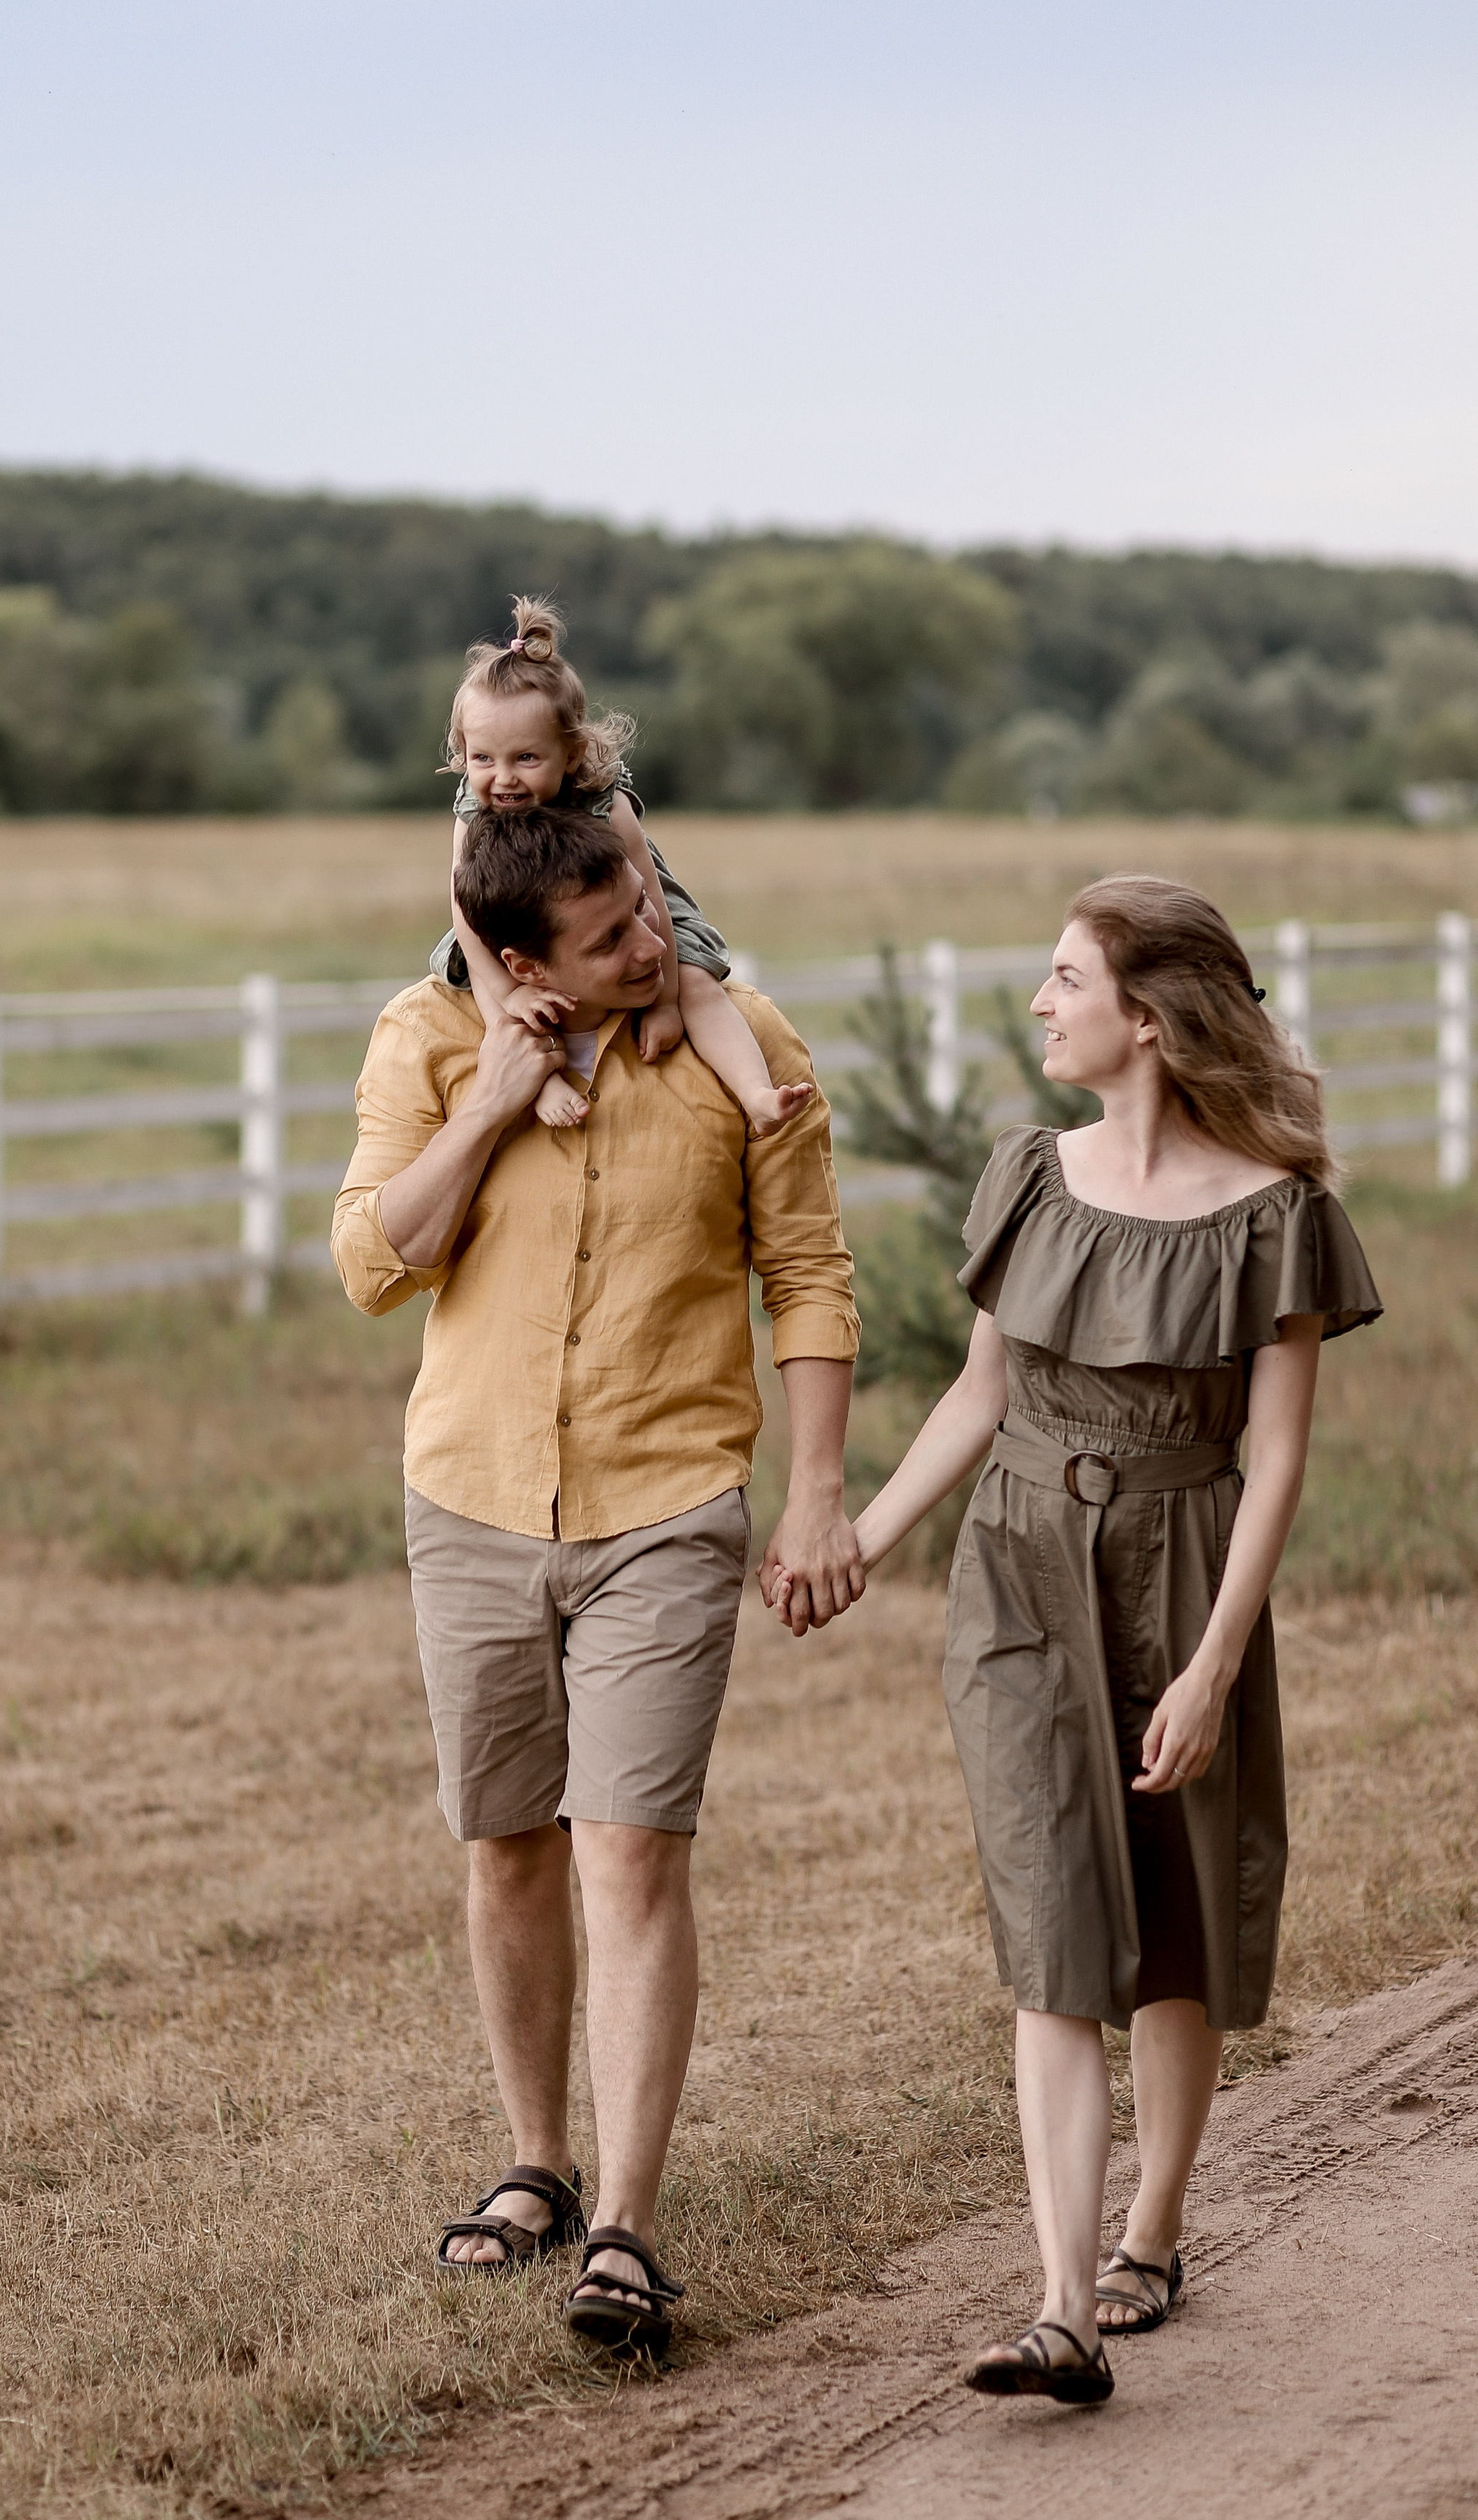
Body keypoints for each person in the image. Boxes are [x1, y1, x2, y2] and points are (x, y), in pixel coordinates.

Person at [778, 875, 1380, 2406]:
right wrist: (860, 1534)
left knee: (1169, 1926)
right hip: (1018, 1565)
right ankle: (1054, 2305)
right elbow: (978, 1396)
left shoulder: (1276, 1212)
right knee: (1051, 1928)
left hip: (1184, 1560)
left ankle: (1150, 2228)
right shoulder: (1026, 1178)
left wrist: (1214, 1659)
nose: (1039, 1003)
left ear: (1150, 1018)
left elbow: (1278, 1457)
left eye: (1063, 978)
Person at [333, 801, 862, 2358]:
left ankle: (623, 2227)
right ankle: (536, 2168)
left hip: (665, 1502)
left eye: (644, 907)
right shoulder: (425, 1037)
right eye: (611, 935)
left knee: (627, 1854)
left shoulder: (735, 1038)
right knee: (505, 1848)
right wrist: (494, 1101)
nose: (650, 943)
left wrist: (817, 1497)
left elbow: (808, 1272)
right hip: (473, 1499)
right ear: (519, 965)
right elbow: (373, 1265)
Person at [429, 594, 813, 1136]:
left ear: (572, 753)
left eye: (527, 758)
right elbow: (464, 913)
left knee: (705, 986)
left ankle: (756, 1096)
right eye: (483, 758)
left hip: (626, 902)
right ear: (464, 754)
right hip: (517, 916)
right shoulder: (473, 810)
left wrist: (668, 997)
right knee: (497, 1002)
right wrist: (511, 994)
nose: (504, 778)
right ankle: (537, 1080)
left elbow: (650, 896)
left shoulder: (605, 799)